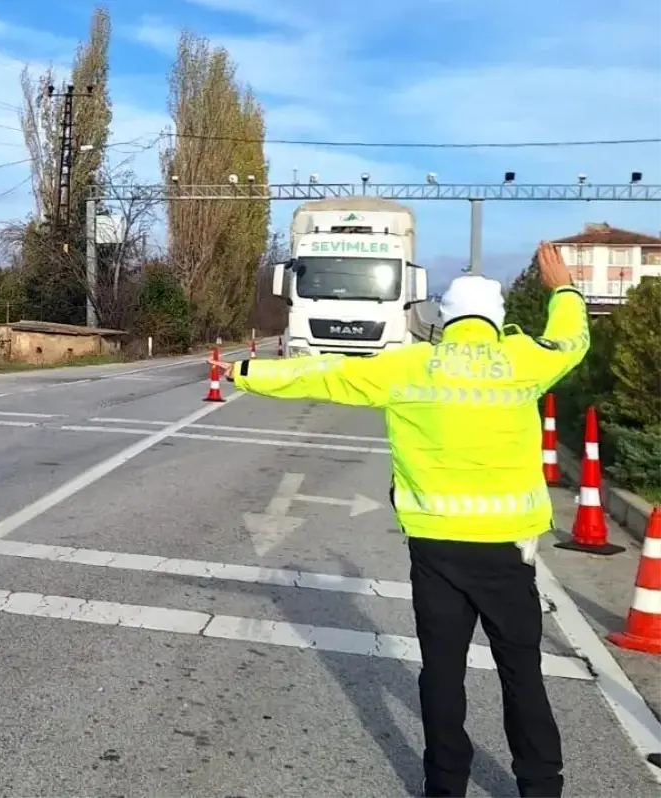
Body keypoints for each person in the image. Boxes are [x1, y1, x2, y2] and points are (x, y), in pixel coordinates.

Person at [210, 241, 587, 798]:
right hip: (508, 552)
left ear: (443, 317)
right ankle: (540, 786)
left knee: (441, 673)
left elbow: (324, 375)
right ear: (500, 319)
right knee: (521, 674)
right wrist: (566, 289)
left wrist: (245, 371)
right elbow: (572, 339)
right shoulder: (525, 362)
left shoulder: (409, 365)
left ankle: (443, 788)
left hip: (435, 548)